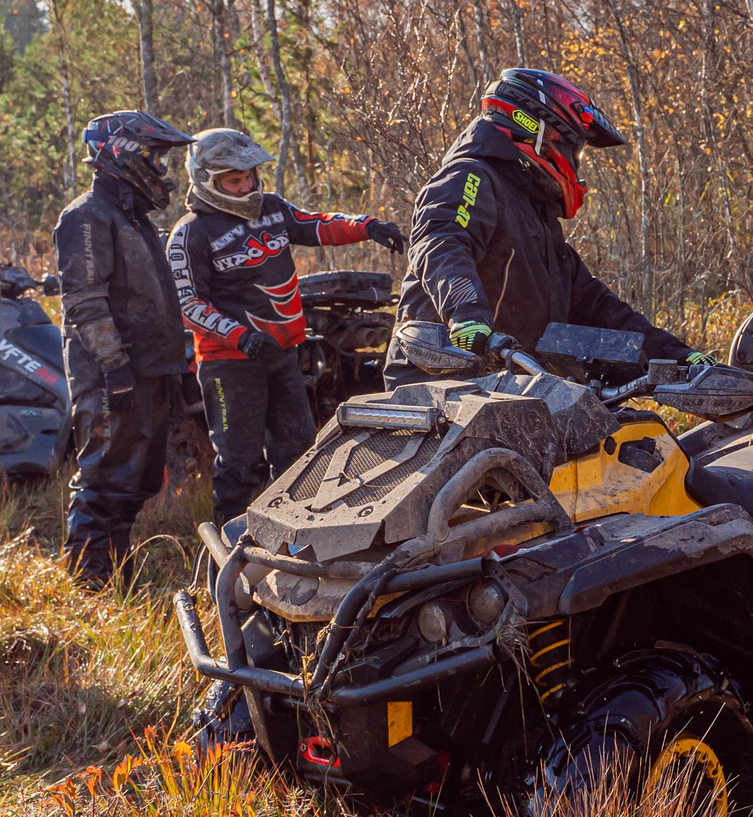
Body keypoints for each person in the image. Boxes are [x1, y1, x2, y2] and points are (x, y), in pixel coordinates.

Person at [392, 68, 705, 384]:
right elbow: (441, 241)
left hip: (512, 385)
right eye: (577, 149)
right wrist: (466, 316)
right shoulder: (469, 176)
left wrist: (677, 357)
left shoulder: (534, 215)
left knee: (632, 423)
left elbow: (593, 304)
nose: (578, 162)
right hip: (436, 383)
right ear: (541, 134)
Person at [168, 127, 406, 529]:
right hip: (229, 364)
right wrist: (240, 336)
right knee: (241, 464)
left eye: (249, 176)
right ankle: (225, 558)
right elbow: (188, 305)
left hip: (283, 355)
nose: (246, 186)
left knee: (300, 455)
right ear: (207, 180)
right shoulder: (190, 233)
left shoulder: (272, 208)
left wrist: (366, 225)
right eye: (234, 180)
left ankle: (288, 543)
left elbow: (315, 224)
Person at [55, 110, 195, 587]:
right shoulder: (86, 216)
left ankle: (113, 571)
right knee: (103, 480)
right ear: (124, 154)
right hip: (112, 374)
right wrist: (114, 367)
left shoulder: (132, 219)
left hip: (152, 369)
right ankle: (86, 583)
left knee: (137, 481)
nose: (160, 167)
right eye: (154, 156)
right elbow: (84, 300)